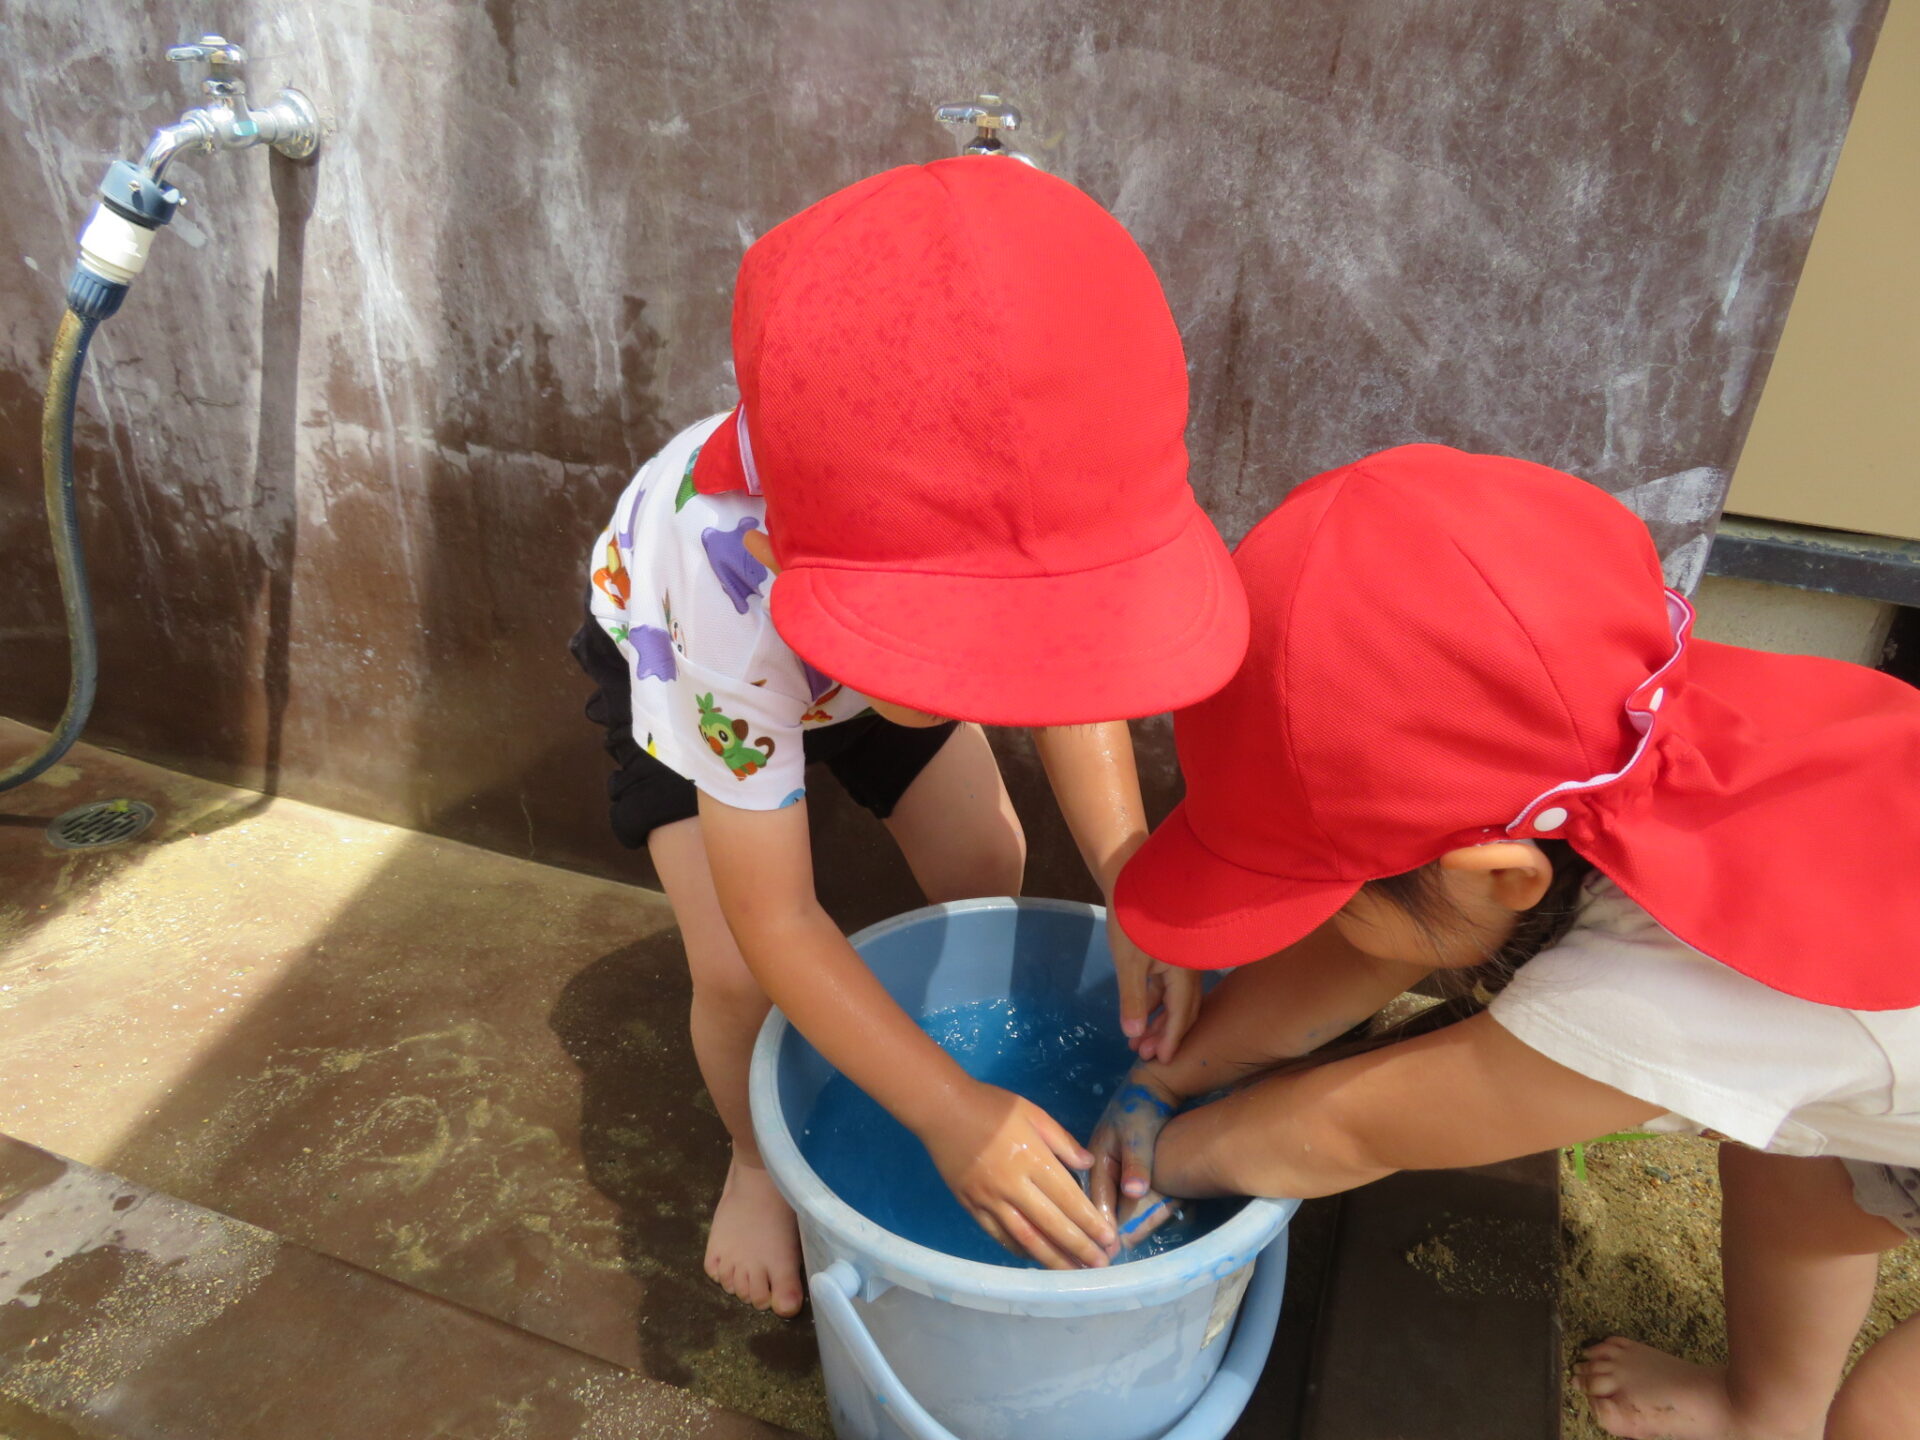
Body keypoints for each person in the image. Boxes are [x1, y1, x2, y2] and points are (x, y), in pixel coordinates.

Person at [1092, 445, 1919, 1438]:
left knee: (1882, 1415)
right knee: (1804, 1167)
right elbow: (1387, 940)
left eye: (1328, 897)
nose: (1315, 926)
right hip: (1879, 1032)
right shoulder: (1603, 725)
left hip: (1865, 1006)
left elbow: (1356, 1130)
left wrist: (1158, 1164)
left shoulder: (1659, 996)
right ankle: (1765, 1412)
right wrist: (1167, 1081)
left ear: (1502, 876)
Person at [572, 156, 1245, 1315]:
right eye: (975, 650)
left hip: (860, 651)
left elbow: (1073, 673)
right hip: (688, 664)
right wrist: (945, 1111)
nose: (1009, 684)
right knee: (735, 970)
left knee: (987, 853)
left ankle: (906, 1026)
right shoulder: (730, 582)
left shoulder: (991, 506)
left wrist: (1133, 879)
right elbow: (776, 916)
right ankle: (752, 1161)